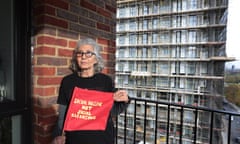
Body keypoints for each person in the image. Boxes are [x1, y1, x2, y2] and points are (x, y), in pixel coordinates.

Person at [52, 38, 130, 144]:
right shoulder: (67, 81)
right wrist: (58, 133)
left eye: (89, 53)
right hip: (75, 138)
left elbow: (113, 111)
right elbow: (63, 111)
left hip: (102, 138)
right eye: (80, 53)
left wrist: (124, 100)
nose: (83, 57)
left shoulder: (105, 81)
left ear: (96, 59)